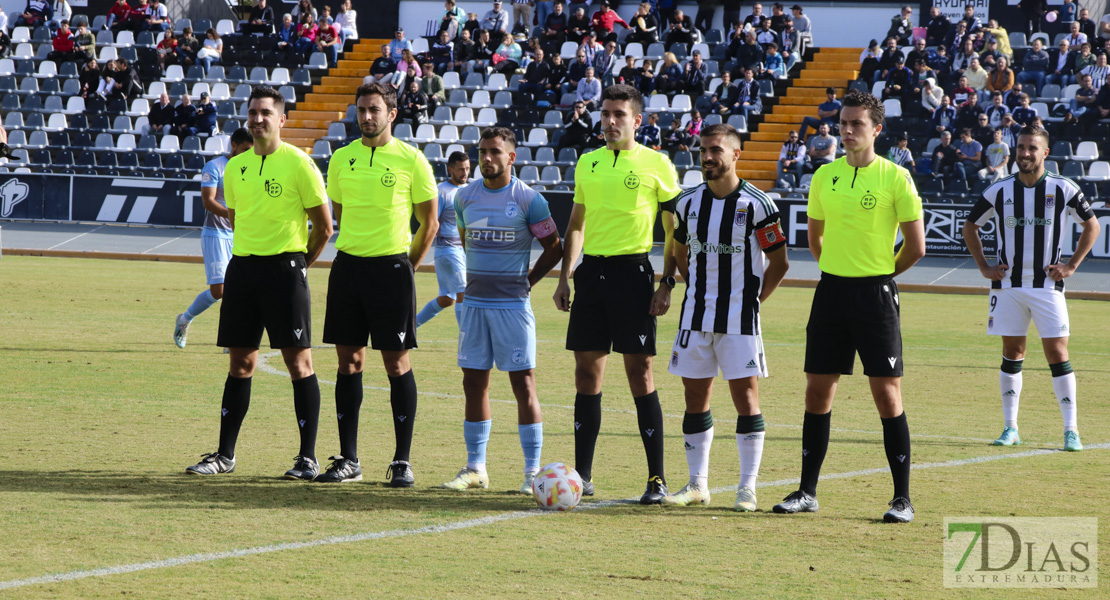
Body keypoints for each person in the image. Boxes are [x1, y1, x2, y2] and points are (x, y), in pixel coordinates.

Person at [771, 90, 925, 523]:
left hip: (876, 295)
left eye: (857, 123)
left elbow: (916, 248)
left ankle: (902, 498)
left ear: (877, 129)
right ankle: (806, 491)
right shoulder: (824, 177)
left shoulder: (896, 177)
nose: (848, 130)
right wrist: (839, 270)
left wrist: (879, 275)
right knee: (817, 391)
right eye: (843, 123)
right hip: (831, 293)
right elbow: (816, 239)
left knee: (886, 394)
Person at [184, 87, 334, 479]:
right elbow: (237, 218)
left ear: (281, 120)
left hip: (285, 271)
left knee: (299, 364)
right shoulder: (235, 167)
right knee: (240, 364)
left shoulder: (300, 164)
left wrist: (301, 263)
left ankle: (308, 458)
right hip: (243, 270)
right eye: (253, 112)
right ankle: (224, 455)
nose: (257, 119)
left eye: (266, 113)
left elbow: (324, 226)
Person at [553, 84, 681, 504]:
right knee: (587, 372)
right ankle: (582, 477)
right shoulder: (587, 163)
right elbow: (575, 225)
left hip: (634, 273)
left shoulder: (657, 164)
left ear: (637, 121)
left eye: (619, 115)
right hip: (591, 275)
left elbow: (673, 230)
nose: (610, 122)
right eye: (606, 114)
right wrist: (564, 276)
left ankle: (656, 478)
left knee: (640, 373)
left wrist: (666, 281)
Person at [661, 123, 789, 511]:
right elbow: (679, 249)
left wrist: (754, 301)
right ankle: (697, 484)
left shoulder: (758, 205)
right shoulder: (687, 202)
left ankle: (746, 488)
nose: (707, 157)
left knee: (745, 397)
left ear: (736, 155)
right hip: (695, 317)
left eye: (716, 150)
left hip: (739, 320)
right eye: (703, 150)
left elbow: (779, 263)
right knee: (694, 397)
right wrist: (682, 283)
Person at [319, 82, 438, 485]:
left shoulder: (412, 159)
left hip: (392, 271)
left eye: (374, 109)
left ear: (392, 113)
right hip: (348, 268)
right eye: (361, 110)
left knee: (396, 363)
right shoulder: (341, 159)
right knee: (348, 362)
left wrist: (408, 266)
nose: (367, 117)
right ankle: (348, 459)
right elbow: (339, 210)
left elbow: (430, 222)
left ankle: (402, 460)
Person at [961, 124, 1100, 453]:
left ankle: (1071, 430)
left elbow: (1091, 225)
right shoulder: (1000, 190)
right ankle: (1010, 428)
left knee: (1058, 353)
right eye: (1021, 147)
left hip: (1047, 287)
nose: (1025, 153)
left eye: (1032, 148)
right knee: (1012, 353)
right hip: (1007, 286)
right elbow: (970, 226)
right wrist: (983, 266)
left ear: (1045, 153)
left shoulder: (1062, 188)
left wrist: (1071, 266)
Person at [441, 127, 564, 494]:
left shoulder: (529, 200)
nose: (486, 158)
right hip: (475, 304)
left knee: (522, 384)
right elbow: (466, 240)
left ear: (511, 157)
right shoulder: (463, 198)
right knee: (473, 382)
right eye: (482, 151)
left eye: (495, 151)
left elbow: (554, 248)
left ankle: (531, 473)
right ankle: (475, 467)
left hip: (512, 306)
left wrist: (528, 281)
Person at [174, 128, 255, 349]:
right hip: (216, 234)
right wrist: (234, 216)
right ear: (234, 145)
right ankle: (184, 319)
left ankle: (232, 338)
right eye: (246, 149)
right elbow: (208, 201)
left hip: (240, 234)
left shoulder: (251, 167)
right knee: (219, 291)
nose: (249, 153)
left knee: (239, 288)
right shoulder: (215, 166)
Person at [417, 152, 469, 328]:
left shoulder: (469, 190)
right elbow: (431, 222)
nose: (465, 173)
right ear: (450, 169)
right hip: (448, 249)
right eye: (461, 169)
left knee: (447, 299)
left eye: (468, 168)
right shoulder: (441, 191)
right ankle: (467, 339)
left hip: (463, 251)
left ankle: (411, 326)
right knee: (464, 292)